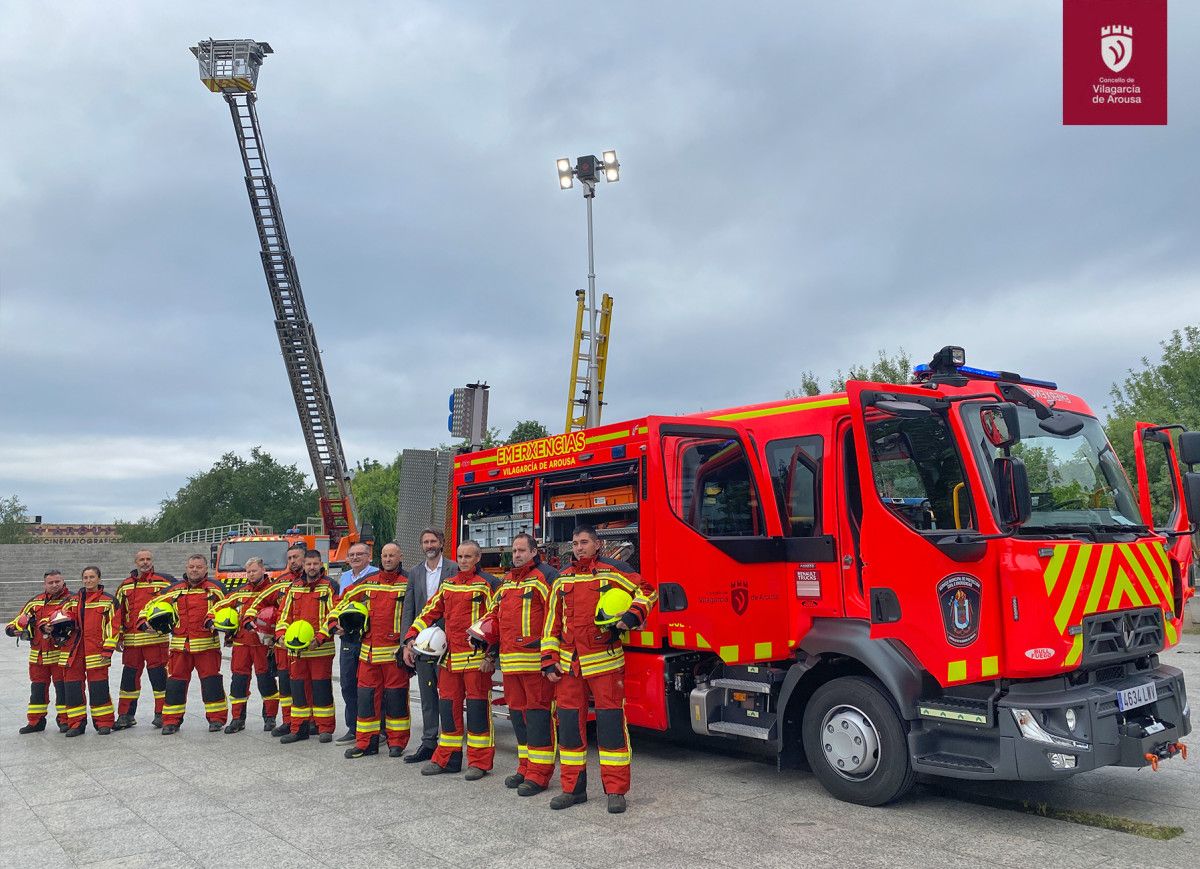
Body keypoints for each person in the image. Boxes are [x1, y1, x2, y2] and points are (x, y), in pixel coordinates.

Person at [541, 525, 658, 814]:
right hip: (569, 667)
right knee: (569, 728)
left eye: (584, 542)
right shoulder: (562, 580)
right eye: (575, 542)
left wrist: (632, 616)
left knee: (610, 728)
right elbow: (551, 623)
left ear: (597, 544)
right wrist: (548, 658)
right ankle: (573, 789)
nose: (578, 547)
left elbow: (647, 591)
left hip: (605, 664)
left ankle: (616, 791)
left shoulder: (614, 570)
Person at [402, 540, 495, 780]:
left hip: (475, 661)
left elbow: (496, 621)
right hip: (449, 661)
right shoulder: (448, 585)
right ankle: (449, 758)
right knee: (449, 710)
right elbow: (429, 613)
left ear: (477, 558)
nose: (463, 561)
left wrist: (491, 655)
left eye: (468, 556)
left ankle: (479, 762)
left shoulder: (486, 586)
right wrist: (412, 635)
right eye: (460, 556)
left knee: (477, 712)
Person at [489, 533, 559, 795]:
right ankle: (525, 766)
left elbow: (555, 617)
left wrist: (550, 658)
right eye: (514, 550)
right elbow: (494, 616)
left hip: (534, 663)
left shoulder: (545, 577)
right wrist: (484, 640)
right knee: (518, 716)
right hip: (510, 664)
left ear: (533, 552)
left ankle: (540, 775)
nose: (516, 555)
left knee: (538, 716)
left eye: (521, 550)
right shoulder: (506, 582)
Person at [327, 542, 409, 758]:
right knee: (366, 700)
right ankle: (366, 743)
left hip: (394, 656)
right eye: (385, 555)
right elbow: (340, 601)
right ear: (380, 558)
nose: (388, 559)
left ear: (400, 557)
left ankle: (396, 742)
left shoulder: (407, 583)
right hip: (368, 655)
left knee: (396, 700)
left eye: (392, 555)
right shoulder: (368, 582)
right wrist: (335, 622)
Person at [141, 554, 228, 734]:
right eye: (191, 566)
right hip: (180, 647)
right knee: (175, 685)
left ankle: (216, 719)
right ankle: (171, 721)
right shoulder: (174, 589)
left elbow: (231, 609)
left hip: (207, 647)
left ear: (205, 569)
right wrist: (143, 622)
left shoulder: (217, 589)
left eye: (198, 567)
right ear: (186, 568)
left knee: (211, 682)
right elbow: (150, 605)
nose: (194, 570)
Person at [400, 527, 458, 763]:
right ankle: (428, 742)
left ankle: (449, 742)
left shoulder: (454, 568)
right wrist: (407, 641)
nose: (429, 545)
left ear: (442, 543)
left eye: (433, 541)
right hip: (422, 643)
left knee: (449, 694)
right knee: (427, 694)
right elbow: (409, 609)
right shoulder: (414, 573)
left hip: (449, 642)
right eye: (425, 542)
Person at [276, 549, 338, 743]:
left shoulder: (329, 586)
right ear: (304, 565)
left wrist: (319, 638)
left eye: (315, 564)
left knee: (321, 689)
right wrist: (280, 636)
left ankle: (325, 728)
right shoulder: (294, 587)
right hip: (297, 650)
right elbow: (283, 614)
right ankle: (299, 728)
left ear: (321, 564)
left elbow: (334, 615)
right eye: (308, 564)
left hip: (320, 649)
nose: (312, 567)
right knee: (298, 690)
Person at [212, 557, 280, 733]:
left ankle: (270, 718)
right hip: (241, 644)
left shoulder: (273, 591)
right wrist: (211, 621)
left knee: (266, 682)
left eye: (254, 571)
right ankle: (237, 719)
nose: (251, 574)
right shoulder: (239, 592)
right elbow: (218, 606)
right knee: (239, 682)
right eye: (248, 571)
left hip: (263, 644)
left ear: (263, 569)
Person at [245, 541, 306, 736]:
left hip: (308, 645)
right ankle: (288, 722)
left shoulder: (315, 581)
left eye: (296, 557)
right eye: (289, 558)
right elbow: (258, 601)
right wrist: (250, 619)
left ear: (306, 558)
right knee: (286, 686)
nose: (292, 561)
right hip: (281, 645)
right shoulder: (280, 582)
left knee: (309, 685)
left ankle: (311, 722)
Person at [112, 549, 173, 729]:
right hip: (132, 642)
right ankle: (125, 715)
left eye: (148, 559)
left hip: (156, 641)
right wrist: (118, 637)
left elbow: (173, 608)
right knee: (129, 680)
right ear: (135, 562)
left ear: (152, 561)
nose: (145, 562)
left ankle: (161, 714)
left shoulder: (164, 583)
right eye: (141, 560)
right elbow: (118, 613)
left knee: (159, 679)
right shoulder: (125, 586)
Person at [5, 570, 72, 734]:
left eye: (58, 581)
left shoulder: (71, 600)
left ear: (63, 582)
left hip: (59, 653)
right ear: (45, 584)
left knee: (62, 690)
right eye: (51, 582)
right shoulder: (35, 601)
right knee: (37, 690)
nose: (55, 585)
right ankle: (36, 721)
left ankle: (64, 721)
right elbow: (19, 619)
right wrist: (11, 629)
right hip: (38, 655)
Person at [57, 566, 121, 736]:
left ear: (99, 579)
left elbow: (113, 627)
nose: (88, 580)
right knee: (73, 688)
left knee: (99, 688)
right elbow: (58, 617)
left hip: (97, 652)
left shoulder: (109, 601)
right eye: (85, 577)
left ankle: (104, 723)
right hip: (73, 652)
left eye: (92, 577)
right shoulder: (72, 600)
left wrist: (108, 649)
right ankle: (76, 724)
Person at [334, 541, 379, 744]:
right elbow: (337, 604)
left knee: (371, 686)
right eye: (351, 555)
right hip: (347, 637)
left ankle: (379, 729)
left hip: (368, 636)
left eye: (359, 554)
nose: (354, 558)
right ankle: (353, 728)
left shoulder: (376, 576)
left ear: (369, 556)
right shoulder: (344, 577)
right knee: (348, 683)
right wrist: (337, 625)